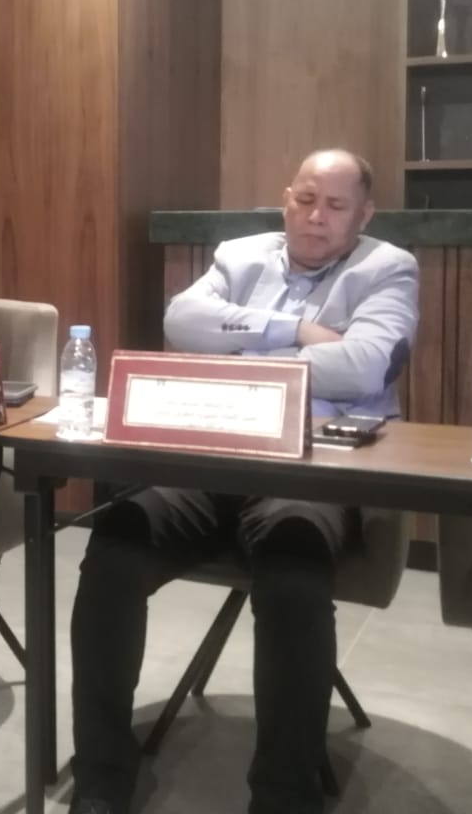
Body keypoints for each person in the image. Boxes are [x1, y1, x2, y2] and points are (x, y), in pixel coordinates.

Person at [68, 149, 419, 814]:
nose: (316, 217)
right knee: (114, 548)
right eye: (305, 200)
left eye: (335, 206)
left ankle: (284, 797)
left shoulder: (388, 269)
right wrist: (296, 331)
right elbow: (181, 324)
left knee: (291, 569)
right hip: (212, 455)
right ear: (286, 199)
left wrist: (238, 347)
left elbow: (363, 366)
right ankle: (101, 778)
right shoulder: (240, 255)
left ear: (364, 215)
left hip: (310, 466)